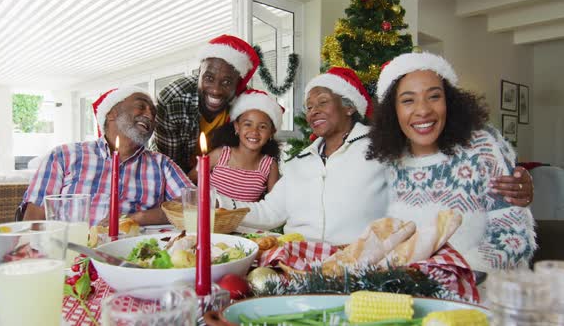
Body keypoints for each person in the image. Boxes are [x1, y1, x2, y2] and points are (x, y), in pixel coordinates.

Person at [216, 67, 534, 246]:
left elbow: (441, 171)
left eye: (322, 102)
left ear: (349, 106)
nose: (313, 111)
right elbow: (270, 211)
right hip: (297, 259)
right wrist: (218, 205)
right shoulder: (299, 162)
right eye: (309, 106)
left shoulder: (384, 147)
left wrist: (513, 184)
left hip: (363, 262)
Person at [366, 52, 536, 271]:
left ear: (450, 101)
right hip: (410, 294)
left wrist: (443, 272)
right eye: (408, 100)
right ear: (393, 111)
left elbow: (514, 240)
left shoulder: (482, 147)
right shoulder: (389, 162)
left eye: (434, 96)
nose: (423, 110)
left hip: (484, 293)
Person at [21, 87, 193, 226]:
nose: (150, 115)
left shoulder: (161, 164)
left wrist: (136, 218)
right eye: (141, 106)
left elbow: (199, 204)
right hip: (72, 254)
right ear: (112, 113)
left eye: (153, 114)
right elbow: (35, 218)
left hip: (133, 257)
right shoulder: (64, 156)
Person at [152, 34, 261, 173]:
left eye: (227, 82)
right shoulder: (173, 100)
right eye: (209, 78)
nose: (216, 90)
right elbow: (169, 166)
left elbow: (253, 158)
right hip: (177, 175)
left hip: (222, 178)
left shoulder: (248, 106)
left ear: (238, 84)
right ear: (199, 73)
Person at [188, 89, 282, 201]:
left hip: (246, 218)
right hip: (211, 217)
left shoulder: (270, 166)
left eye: (262, 127)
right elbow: (187, 181)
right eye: (248, 124)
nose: (254, 132)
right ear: (237, 127)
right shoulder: (220, 154)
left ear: (271, 132)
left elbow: (274, 203)